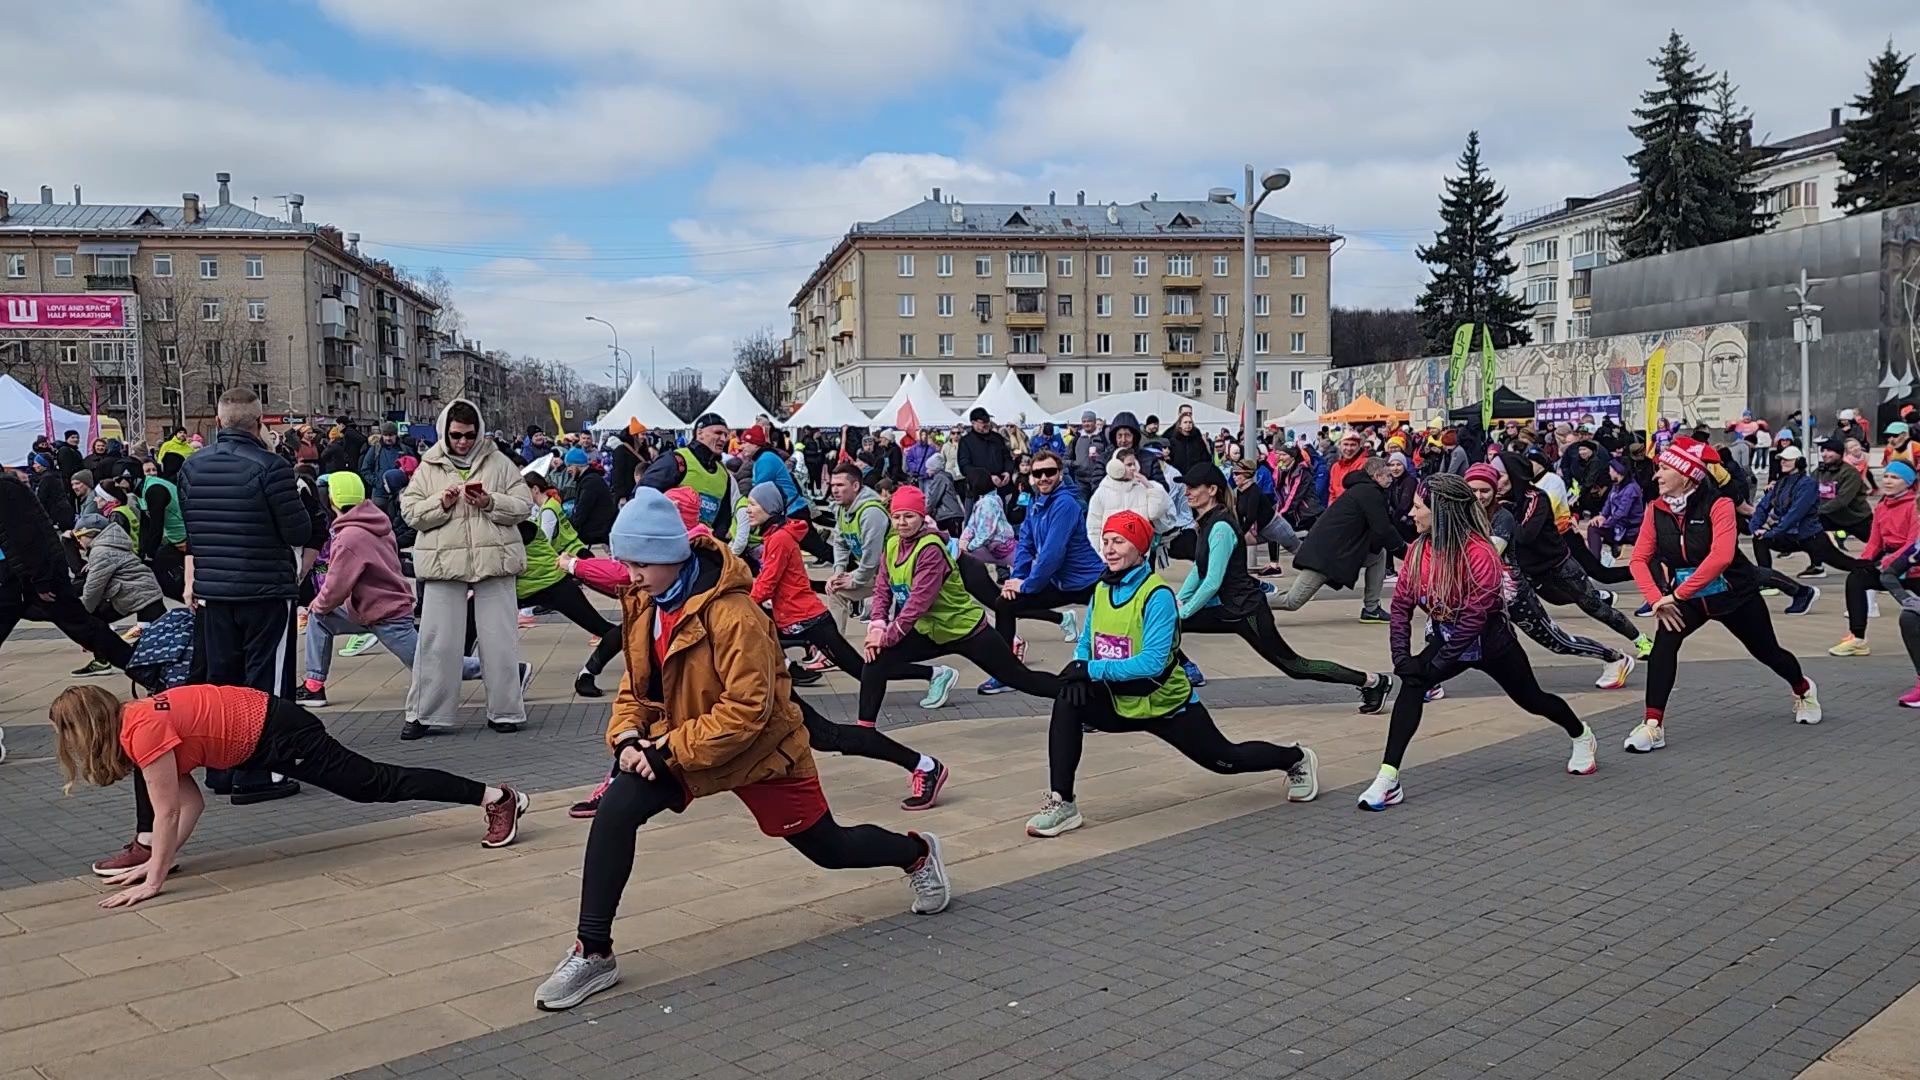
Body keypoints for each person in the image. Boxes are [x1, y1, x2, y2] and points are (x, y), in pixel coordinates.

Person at [532, 491, 951, 1011]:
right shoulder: (642, 601)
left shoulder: (736, 613)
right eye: (625, 561)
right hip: (684, 745)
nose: (630, 573)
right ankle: (593, 952)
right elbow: (637, 688)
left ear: (671, 557)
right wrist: (626, 736)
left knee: (829, 849)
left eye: (639, 563)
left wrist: (664, 752)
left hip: (761, 751)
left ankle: (916, 853)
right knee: (616, 809)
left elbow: (749, 709)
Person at [55, 684, 526, 897]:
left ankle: (496, 797)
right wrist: (161, 858)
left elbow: (170, 813)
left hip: (278, 732)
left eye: (67, 733)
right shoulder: (134, 721)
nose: (68, 744)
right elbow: (190, 802)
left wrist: (154, 878)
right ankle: (493, 797)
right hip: (262, 726)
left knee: (373, 786)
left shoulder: (144, 731)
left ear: (87, 727)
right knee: (372, 784)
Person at [1025, 510, 1322, 838]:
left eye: (1119, 542)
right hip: (1119, 700)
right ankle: (1063, 803)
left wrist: (1091, 669)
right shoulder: (1102, 589)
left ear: (1140, 548)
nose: (1109, 549)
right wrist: (1081, 669)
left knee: (1225, 760)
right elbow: (1087, 640)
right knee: (1067, 700)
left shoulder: (1158, 595)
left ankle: (1295, 758)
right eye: (1106, 541)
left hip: (1166, 704)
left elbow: (1152, 662)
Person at [1360, 476, 1598, 812]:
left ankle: (1581, 734)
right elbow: (1400, 607)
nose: (1410, 513)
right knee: (1412, 685)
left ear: (1441, 512)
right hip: (1446, 637)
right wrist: (1402, 658)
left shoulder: (1480, 552)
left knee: (1533, 699)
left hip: (1491, 643)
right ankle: (1388, 778)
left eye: (1417, 506)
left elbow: (1474, 617)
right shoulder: (1418, 551)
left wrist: (1438, 664)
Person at [740, 481, 952, 805]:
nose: (748, 510)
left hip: (807, 621)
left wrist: (740, 610)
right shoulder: (773, 537)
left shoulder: (780, 539)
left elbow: (766, 583)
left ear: (769, 508)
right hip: (796, 620)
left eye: (753, 505)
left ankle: (931, 675)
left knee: (861, 670)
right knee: (857, 672)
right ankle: (793, 670)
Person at [1624, 438, 1820, 754]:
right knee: (1664, 646)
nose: (1656, 475)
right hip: (1686, 600)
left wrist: (1676, 595)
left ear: (1686, 475)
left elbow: (1721, 557)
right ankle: (1652, 725)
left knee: (1768, 652)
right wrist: (1658, 598)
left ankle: (1803, 688)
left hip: (1733, 594)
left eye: (1663, 469)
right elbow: (1638, 559)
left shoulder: (1719, 504)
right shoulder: (1655, 509)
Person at [177, 388, 319, 805]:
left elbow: (192, 526)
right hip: (264, 588)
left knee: (222, 683)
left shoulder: (191, 467)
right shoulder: (271, 467)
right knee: (266, 683)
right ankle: (261, 772)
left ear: (218, 423)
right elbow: (298, 531)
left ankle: (222, 769)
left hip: (215, 591)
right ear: (259, 423)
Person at [1178, 461, 1393, 712]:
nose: (1186, 493)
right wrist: (1179, 601)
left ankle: (1373, 681)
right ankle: (1172, 683)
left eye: (1192, 487)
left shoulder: (1221, 527)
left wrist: (1182, 611)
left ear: (1212, 489)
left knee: (1295, 667)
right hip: (1229, 609)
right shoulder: (1207, 522)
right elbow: (1198, 569)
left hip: (1247, 612)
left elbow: (1212, 582)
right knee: (1161, 624)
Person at [298, 471, 499, 713]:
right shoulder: (374, 524)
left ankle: (509, 673)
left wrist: (317, 604)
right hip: (371, 608)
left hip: (385, 613)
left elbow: (336, 587)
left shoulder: (350, 537)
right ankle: (313, 685)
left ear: (332, 500)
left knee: (433, 664)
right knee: (320, 620)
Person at [859, 486, 1061, 721]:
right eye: (896, 516)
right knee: (875, 661)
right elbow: (883, 588)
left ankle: (1075, 695)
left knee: (1021, 679)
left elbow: (917, 604)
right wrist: (877, 626)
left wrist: (886, 637)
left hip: (966, 630)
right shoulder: (892, 544)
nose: (902, 522)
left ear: (922, 517)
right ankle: (865, 730)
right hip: (930, 632)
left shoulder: (930, 549)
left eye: (909, 516)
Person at [402, 399, 536, 735]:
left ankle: (505, 712)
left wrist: (490, 502)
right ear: (444, 432)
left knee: (500, 641)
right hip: (444, 564)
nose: (462, 441)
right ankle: (424, 714)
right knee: (438, 642)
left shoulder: (500, 462)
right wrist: (442, 503)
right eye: (456, 435)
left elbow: (523, 506)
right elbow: (410, 513)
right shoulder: (427, 466)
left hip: (494, 562)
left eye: (469, 435)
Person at [1465, 464, 1637, 691]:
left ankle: (1614, 658)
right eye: (1473, 490)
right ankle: (1426, 681)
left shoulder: (1502, 516)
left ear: (1495, 490)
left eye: (1485, 490)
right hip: (1483, 594)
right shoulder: (1465, 514)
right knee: (1456, 636)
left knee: (1557, 642)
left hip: (1513, 593)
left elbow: (1489, 554)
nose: (1479, 496)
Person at [1495, 452, 1651, 658]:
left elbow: (1525, 536)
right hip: (1530, 572)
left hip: (1559, 565)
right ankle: (1597, 594)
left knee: (1594, 607)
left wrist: (1503, 514)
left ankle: (1641, 640)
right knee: (1559, 601)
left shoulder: (1536, 498)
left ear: (1514, 475)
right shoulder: (1493, 501)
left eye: (1500, 476)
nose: (1495, 482)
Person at [985, 449, 1104, 691]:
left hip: (1090, 582)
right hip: (1060, 583)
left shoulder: (1066, 504)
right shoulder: (1035, 503)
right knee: (1005, 604)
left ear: (1060, 474)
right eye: (1038, 473)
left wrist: (1027, 585)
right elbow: (1025, 545)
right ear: (1030, 476)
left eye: (1050, 472)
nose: (1043, 478)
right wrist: (1015, 580)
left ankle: (1181, 664)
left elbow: (1052, 554)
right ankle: (1006, 674)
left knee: (1127, 621)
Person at [1273, 455, 1402, 622]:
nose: (1391, 479)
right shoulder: (1368, 492)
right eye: (1388, 475)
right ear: (1377, 476)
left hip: (1334, 552)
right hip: (1325, 556)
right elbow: (1384, 529)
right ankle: (1243, 604)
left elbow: (1378, 531)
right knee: (1292, 600)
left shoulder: (1363, 490)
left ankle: (1372, 608)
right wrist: (1407, 553)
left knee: (1378, 555)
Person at [1829, 461, 1919, 657]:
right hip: (1888, 563)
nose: (1888, 481)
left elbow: (1912, 544)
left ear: (1909, 482)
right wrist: (1865, 561)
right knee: (1856, 578)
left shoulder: (1915, 506)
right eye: (1886, 476)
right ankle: (1858, 638)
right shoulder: (1882, 505)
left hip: (1912, 567)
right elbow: (1875, 541)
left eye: (1895, 478)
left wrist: (1888, 564)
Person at [70, 516, 166, 677]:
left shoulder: (102, 551)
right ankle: (106, 660)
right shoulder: (110, 544)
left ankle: (147, 672)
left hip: (140, 596)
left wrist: (84, 611)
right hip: (138, 594)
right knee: (154, 635)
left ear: (92, 534)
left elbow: (93, 588)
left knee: (153, 640)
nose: (79, 542)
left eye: (80, 537)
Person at [638, 413, 738, 539]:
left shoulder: (723, 473)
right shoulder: (678, 460)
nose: (723, 439)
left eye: (725, 434)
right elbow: (641, 494)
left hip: (702, 546)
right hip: (667, 541)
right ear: (699, 432)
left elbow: (723, 518)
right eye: (718, 433)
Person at [823, 463, 890, 638]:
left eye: (840, 485)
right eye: (832, 485)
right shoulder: (841, 509)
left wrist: (855, 580)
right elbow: (840, 543)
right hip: (877, 573)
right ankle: (836, 649)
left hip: (897, 573)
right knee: (835, 590)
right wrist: (838, 573)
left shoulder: (871, 513)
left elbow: (871, 558)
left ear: (855, 486)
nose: (835, 490)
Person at [1085, 448, 1171, 555]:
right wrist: (1096, 554)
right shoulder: (1101, 492)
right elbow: (1093, 528)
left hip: (1138, 554)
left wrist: (1149, 486)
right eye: (1129, 465)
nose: (1134, 468)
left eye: (1134, 464)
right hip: (1110, 555)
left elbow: (1154, 514)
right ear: (1116, 466)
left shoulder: (1142, 488)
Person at [956, 407, 1014, 496]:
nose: (987, 424)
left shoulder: (997, 438)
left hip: (1001, 487)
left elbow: (1007, 458)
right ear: (973, 423)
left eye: (988, 421)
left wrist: (1008, 472)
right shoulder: (966, 441)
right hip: (978, 490)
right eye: (983, 422)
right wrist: (987, 477)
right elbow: (965, 467)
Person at [566, 448, 616, 550]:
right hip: (597, 533)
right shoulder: (588, 480)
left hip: (596, 536)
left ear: (578, 465)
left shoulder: (590, 483)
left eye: (569, 465)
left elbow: (581, 512)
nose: (568, 470)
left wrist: (567, 528)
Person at [1067, 409, 1110, 498]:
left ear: (1094, 422)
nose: (1086, 424)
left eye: (1089, 421)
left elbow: (1110, 455)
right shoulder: (1076, 439)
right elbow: (1064, 458)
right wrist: (1074, 464)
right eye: (1084, 421)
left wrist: (1100, 458)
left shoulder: (1103, 437)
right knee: (1082, 507)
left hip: (1099, 479)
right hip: (1081, 480)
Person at [358, 421, 406, 493]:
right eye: (385, 435)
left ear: (396, 435)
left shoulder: (404, 449)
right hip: (380, 494)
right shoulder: (375, 449)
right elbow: (365, 469)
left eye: (391, 435)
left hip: (400, 493)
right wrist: (378, 483)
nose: (388, 438)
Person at [1326, 431, 1371, 503]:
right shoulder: (1335, 467)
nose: (1349, 448)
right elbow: (1332, 492)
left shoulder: (1366, 464)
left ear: (1359, 446)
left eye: (1353, 445)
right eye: (1345, 444)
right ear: (1340, 446)